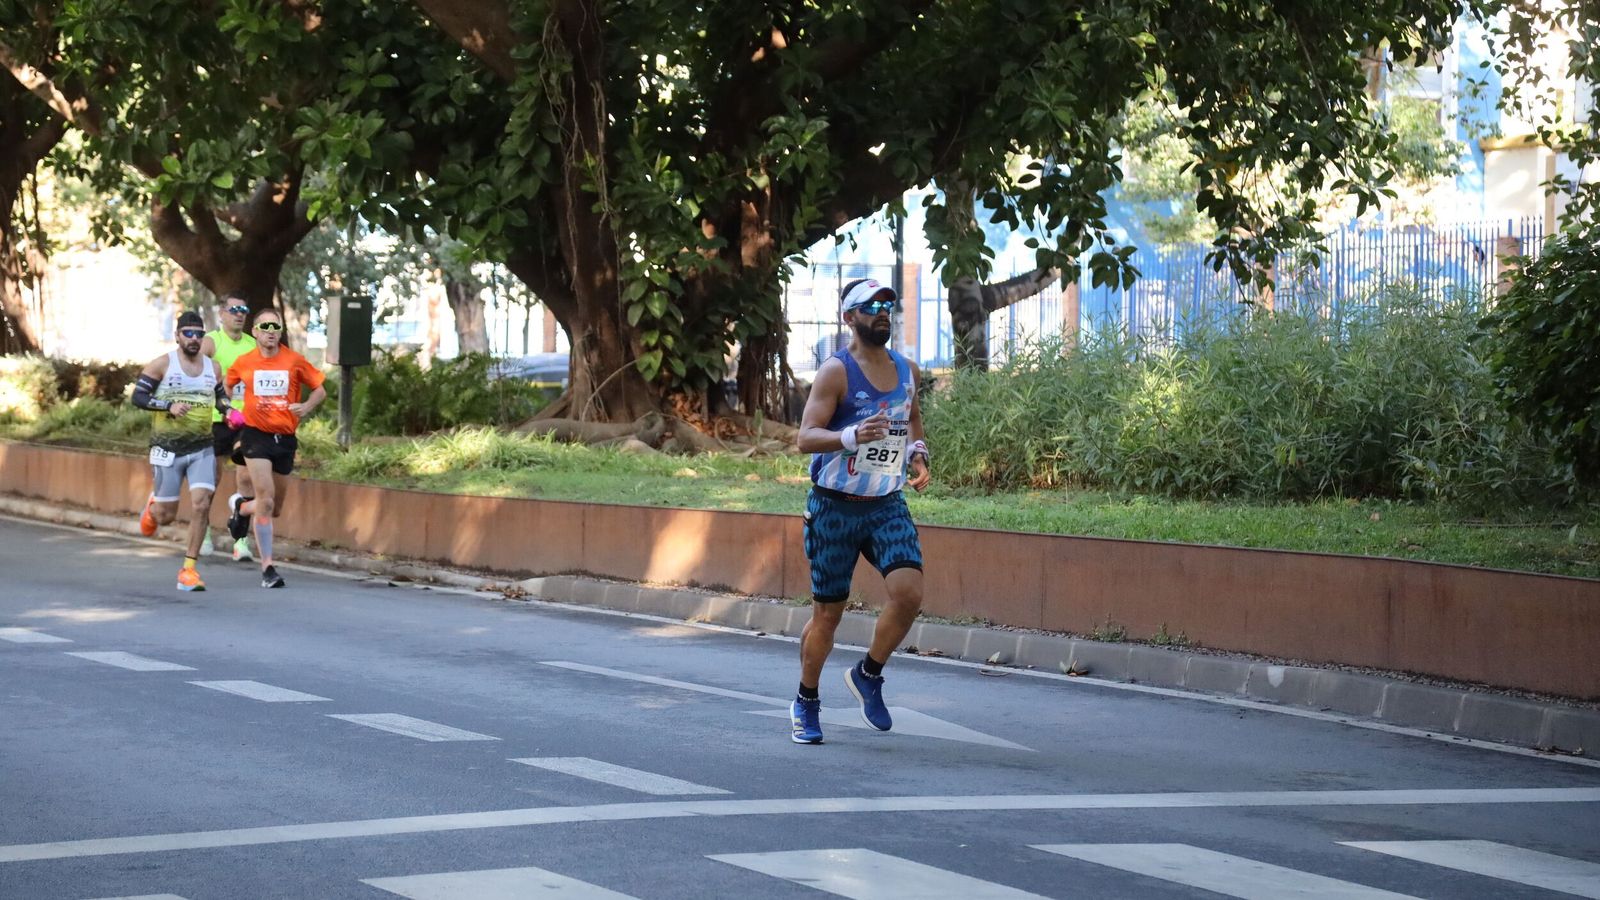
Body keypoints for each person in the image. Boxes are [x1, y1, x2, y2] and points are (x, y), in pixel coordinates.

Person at [789, 278, 931, 744]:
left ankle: (869, 673)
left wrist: (918, 453)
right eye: (871, 306)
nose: (883, 312)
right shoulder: (837, 371)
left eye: (889, 304)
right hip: (834, 508)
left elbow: (909, 417)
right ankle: (807, 700)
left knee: (908, 593)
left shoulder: (907, 369)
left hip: (885, 505)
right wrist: (851, 436)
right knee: (828, 616)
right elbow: (806, 437)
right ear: (850, 317)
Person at [131, 311, 242, 592]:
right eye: (188, 333)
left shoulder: (213, 367)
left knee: (202, 503)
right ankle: (153, 506)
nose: (194, 339)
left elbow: (219, 396)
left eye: (199, 334)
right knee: (166, 516)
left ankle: (188, 570)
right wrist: (168, 406)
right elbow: (139, 397)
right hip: (167, 448)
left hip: (202, 447)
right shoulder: (161, 365)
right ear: (177, 336)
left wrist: (228, 410)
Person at [223, 309, 326, 589]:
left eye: (275, 327)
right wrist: (229, 409)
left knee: (275, 508)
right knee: (265, 501)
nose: (270, 331)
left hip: (285, 438)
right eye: (264, 326)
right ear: (255, 331)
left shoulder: (293, 360)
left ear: (280, 331)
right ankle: (268, 568)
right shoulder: (244, 362)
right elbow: (226, 385)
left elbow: (319, 389)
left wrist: (306, 406)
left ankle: (242, 508)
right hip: (255, 435)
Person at [200, 295, 257, 561]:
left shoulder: (252, 344)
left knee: (246, 477)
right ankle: (204, 532)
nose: (239, 314)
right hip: (215, 419)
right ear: (221, 313)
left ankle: (241, 540)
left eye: (243, 310)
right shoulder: (212, 341)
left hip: (246, 421)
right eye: (234, 309)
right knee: (212, 478)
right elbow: (194, 367)